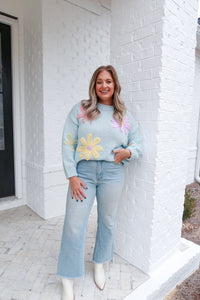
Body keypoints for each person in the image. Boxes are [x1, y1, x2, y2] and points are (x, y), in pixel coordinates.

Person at [56, 65, 142, 300]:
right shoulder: (81, 110)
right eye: (99, 81)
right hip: (82, 174)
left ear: (115, 85)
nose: (104, 85)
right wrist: (72, 175)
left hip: (113, 173)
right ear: (94, 85)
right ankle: (67, 276)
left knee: (107, 222)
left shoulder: (124, 115)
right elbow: (67, 142)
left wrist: (127, 153)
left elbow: (138, 145)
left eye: (109, 81)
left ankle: (100, 263)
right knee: (74, 226)